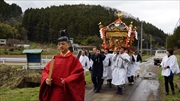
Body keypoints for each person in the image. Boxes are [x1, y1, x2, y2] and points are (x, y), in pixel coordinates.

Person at [39, 34, 85, 101]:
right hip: (54, 92)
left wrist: (67, 80)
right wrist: (46, 79)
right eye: (59, 44)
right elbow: (46, 71)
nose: (61, 46)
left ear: (68, 45)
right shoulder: (55, 58)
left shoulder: (73, 59)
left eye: (63, 44)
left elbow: (78, 73)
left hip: (67, 92)